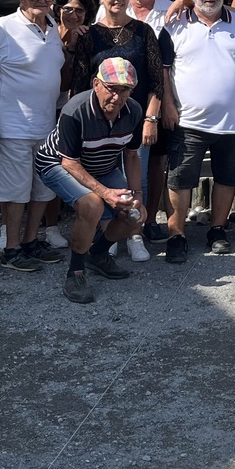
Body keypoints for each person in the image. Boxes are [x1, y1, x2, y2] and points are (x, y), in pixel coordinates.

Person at [65, 0, 173, 261]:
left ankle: (133, 233)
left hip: (134, 121)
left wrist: (150, 119)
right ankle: (107, 234)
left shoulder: (143, 31)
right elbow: (79, 85)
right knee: (103, 177)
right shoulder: (90, 35)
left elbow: (155, 82)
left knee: (136, 178)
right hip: (97, 125)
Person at [0, 0, 71, 272]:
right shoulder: (3, 27)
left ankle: (31, 241)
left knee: (43, 188)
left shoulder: (54, 26)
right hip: (13, 125)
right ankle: (12, 248)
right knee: (15, 189)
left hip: (46, 124)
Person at [36, 57, 146, 304]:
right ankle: (75, 272)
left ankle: (96, 255)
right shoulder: (75, 110)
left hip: (102, 166)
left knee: (136, 215)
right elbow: (70, 162)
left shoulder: (135, 111)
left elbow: (131, 155)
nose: (117, 98)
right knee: (92, 205)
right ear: (96, 84)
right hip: (57, 163)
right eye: (111, 89)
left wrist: (137, 195)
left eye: (124, 90)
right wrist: (106, 193)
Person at [164, 0, 235, 259]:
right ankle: (176, 234)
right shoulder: (174, 24)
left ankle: (217, 228)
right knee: (180, 179)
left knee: (228, 177)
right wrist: (166, 104)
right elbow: (163, 70)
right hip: (188, 119)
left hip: (233, 120)